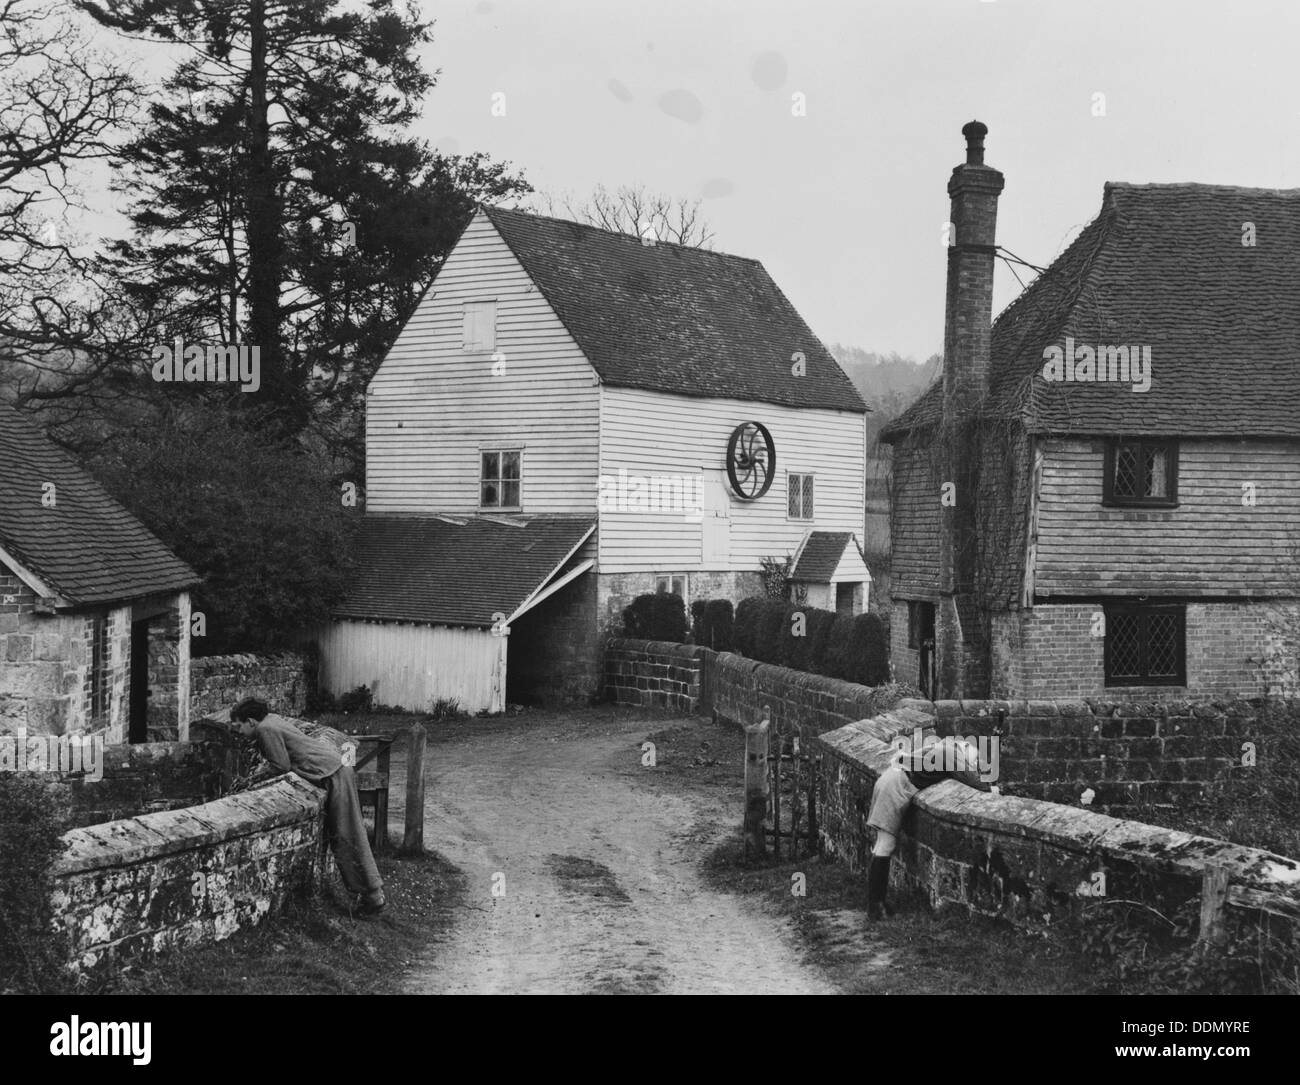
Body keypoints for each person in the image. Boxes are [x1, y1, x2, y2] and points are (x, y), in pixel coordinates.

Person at [229, 697, 386, 916]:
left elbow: (280, 765)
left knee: (347, 833)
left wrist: (251, 781)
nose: (238, 731)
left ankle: (373, 897)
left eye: (238, 726)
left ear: (251, 722)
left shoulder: (265, 729)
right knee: (345, 832)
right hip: (334, 769)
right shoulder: (272, 721)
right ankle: (369, 893)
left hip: (332, 774)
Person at [865, 734, 994, 920]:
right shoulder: (951, 753)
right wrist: (991, 788)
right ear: (964, 749)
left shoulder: (939, 747)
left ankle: (876, 904)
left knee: (881, 844)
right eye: (971, 759)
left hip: (889, 779)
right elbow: (974, 782)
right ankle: (876, 907)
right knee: (885, 844)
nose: (970, 762)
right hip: (895, 785)